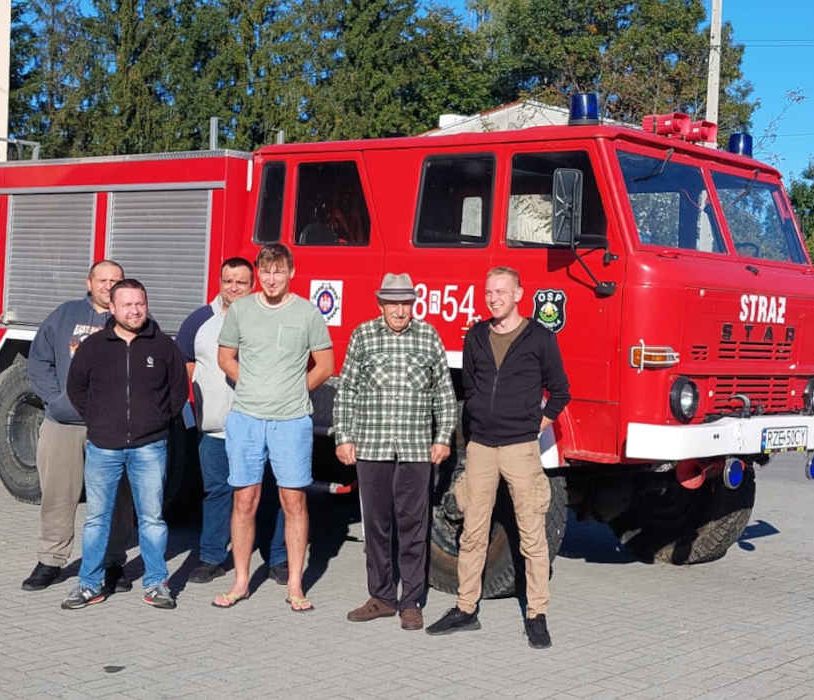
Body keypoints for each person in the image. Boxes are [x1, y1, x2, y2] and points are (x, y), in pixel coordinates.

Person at [425, 266, 569, 649]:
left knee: (532, 535)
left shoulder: (539, 338)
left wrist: (534, 426)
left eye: (501, 292)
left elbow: (559, 391)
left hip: (521, 448)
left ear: (519, 294)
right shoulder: (476, 335)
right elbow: (471, 384)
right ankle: (465, 608)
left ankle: (537, 614)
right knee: (472, 533)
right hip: (481, 449)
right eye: (489, 292)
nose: (494, 298)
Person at [211, 243, 334, 612]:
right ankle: (241, 582)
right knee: (244, 500)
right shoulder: (242, 310)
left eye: (279, 271)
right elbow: (224, 357)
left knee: (293, 501)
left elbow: (325, 365)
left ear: (291, 272)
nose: (271, 278)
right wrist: (247, 383)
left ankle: (295, 586)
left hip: (292, 421)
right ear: (258, 274)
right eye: (265, 271)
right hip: (247, 418)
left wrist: (295, 390)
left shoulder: (308, 313)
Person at [333, 273, 458, 631]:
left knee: (413, 526)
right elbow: (348, 392)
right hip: (372, 447)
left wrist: (443, 438)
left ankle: (411, 602)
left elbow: (444, 395)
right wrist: (343, 436)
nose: (399, 310)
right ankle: (382, 597)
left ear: (413, 305)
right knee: (376, 525)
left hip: (416, 450)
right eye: (393, 303)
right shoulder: (363, 335)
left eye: (405, 303)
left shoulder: (428, 336)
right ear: (381, 304)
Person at [60, 280, 187, 610]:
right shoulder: (93, 347)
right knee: (97, 520)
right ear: (112, 308)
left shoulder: (162, 346)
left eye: (140, 303)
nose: (135, 310)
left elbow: (178, 392)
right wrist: (101, 422)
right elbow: (77, 389)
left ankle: (156, 583)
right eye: (127, 304)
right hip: (104, 447)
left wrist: (157, 422)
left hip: (150, 447)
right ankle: (89, 585)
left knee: (152, 519)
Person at [174, 257, 291, 587]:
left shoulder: (271, 317)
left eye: (241, 282)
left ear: (252, 285)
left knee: (269, 493)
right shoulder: (200, 320)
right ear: (220, 282)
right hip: (216, 427)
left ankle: (278, 559)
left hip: (263, 424)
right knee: (217, 492)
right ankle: (211, 557)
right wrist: (203, 402)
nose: (234, 288)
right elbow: (185, 362)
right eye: (228, 281)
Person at [20, 261, 134, 595]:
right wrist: (56, 400)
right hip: (65, 425)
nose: (108, 285)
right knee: (58, 494)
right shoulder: (65, 314)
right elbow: (39, 360)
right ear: (89, 282)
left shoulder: (131, 317)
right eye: (103, 279)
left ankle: (114, 562)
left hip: (113, 428)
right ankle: (51, 561)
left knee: (117, 498)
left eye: (115, 280)